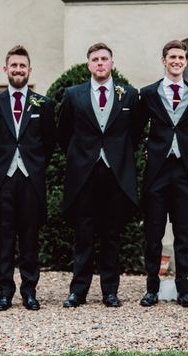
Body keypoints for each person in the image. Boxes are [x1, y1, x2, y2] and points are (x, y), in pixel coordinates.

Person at [58, 42, 139, 308]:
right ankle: (77, 291)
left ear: (111, 63)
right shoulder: (73, 94)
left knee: (111, 235)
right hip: (85, 174)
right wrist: (82, 156)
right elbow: (64, 133)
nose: (100, 63)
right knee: (83, 235)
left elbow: (134, 134)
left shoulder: (128, 94)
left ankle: (110, 291)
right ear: (88, 64)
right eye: (95, 59)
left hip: (116, 173)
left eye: (104, 59)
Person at [0, 45, 56, 311]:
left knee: (29, 238)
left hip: (31, 180)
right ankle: (4, 292)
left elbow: (48, 141)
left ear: (29, 70)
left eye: (22, 66)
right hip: (4, 179)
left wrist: (32, 164)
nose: (18, 70)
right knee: (4, 238)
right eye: (13, 66)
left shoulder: (43, 104)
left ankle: (29, 291)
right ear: (6, 69)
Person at [138, 40, 188, 308]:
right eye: (172, 57)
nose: (177, 61)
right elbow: (136, 128)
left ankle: (183, 289)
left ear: (186, 62)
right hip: (157, 172)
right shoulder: (148, 94)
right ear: (163, 60)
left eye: (181, 57)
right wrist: (147, 149)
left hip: (184, 173)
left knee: (182, 235)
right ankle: (151, 288)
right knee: (153, 235)